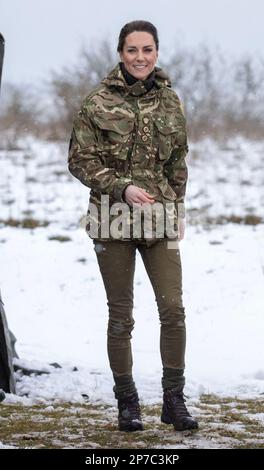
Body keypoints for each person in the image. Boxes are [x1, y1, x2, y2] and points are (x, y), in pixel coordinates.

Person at [68, 20, 198, 433]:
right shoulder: (97, 101)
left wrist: (176, 210)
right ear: (120, 53)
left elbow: (178, 161)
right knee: (121, 316)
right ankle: (128, 404)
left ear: (156, 53)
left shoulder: (171, 102)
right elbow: (80, 160)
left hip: (159, 217)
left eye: (147, 50)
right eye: (132, 50)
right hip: (112, 217)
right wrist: (120, 188)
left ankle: (173, 402)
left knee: (173, 310)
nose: (140, 58)